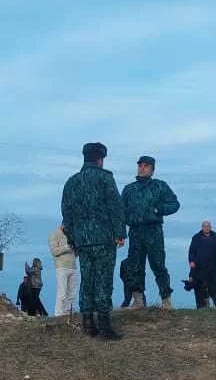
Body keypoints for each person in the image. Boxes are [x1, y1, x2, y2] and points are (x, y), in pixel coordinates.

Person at [61, 142, 126, 340]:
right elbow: (116, 207)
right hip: (104, 239)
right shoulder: (105, 178)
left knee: (87, 280)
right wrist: (120, 233)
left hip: (82, 241)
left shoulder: (72, 182)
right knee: (104, 281)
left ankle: (88, 322)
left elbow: (67, 213)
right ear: (100, 159)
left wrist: (73, 239)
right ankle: (105, 326)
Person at [119, 155, 181, 310]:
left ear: (152, 170)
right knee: (135, 267)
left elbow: (175, 204)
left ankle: (166, 300)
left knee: (158, 266)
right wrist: (122, 230)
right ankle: (138, 300)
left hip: (154, 232)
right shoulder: (129, 189)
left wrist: (159, 209)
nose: (142, 168)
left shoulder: (160, 186)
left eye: (146, 166)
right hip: (135, 232)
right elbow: (120, 211)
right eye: (140, 165)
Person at [48, 223, 79, 317]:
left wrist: (76, 249)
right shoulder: (54, 234)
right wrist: (67, 247)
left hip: (73, 266)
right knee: (62, 292)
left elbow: (76, 253)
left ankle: (70, 312)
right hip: (61, 267)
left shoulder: (72, 235)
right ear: (63, 224)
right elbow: (54, 251)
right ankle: (59, 314)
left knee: (72, 292)